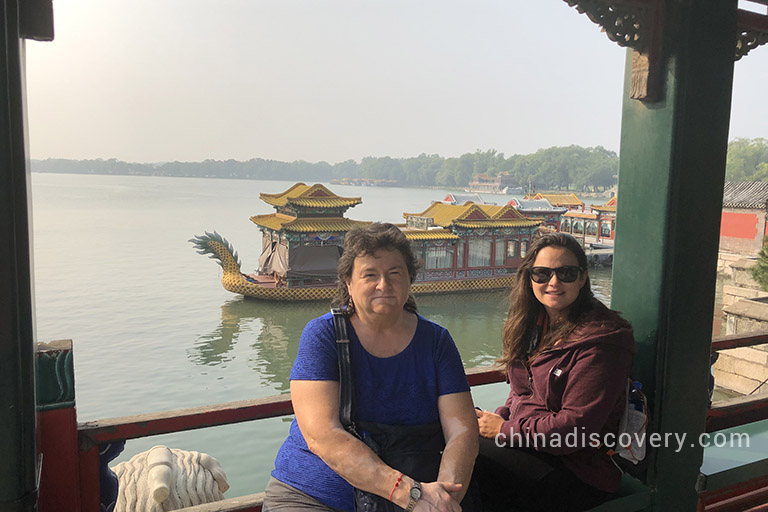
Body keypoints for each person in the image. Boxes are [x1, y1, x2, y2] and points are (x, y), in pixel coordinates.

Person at [265, 222, 479, 512]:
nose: (384, 285)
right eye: (370, 275)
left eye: (395, 274)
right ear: (348, 282)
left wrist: (444, 495)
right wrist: (411, 494)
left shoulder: (436, 341)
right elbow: (321, 434)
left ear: (410, 279)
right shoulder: (322, 336)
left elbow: (462, 430)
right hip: (314, 496)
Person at [474, 233, 634, 512]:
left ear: (583, 278)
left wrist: (504, 430)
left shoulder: (602, 342)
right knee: (454, 441)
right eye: (542, 273)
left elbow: (575, 430)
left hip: (579, 470)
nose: (554, 282)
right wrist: (500, 417)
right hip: (532, 449)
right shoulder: (533, 325)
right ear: (529, 277)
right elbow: (520, 392)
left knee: (469, 458)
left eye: (566, 273)